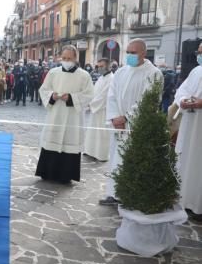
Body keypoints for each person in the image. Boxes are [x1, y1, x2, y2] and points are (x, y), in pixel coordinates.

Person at [99, 39, 163, 205]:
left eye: (133, 52)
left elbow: (149, 100)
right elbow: (111, 96)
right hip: (119, 126)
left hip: (136, 127)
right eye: (127, 52)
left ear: (143, 53)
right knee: (115, 159)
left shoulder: (154, 73)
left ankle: (128, 196)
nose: (129, 55)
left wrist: (126, 117)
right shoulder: (121, 72)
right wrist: (114, 117)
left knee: (132, 160)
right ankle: (113, 193)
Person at [36, 45, 94, 184]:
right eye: (64, 58)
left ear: (75, 58)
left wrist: (72, 98)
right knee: (52, 139)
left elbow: (89, 94)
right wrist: (52, 96)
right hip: (55, 113)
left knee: (70, 141)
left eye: (69, 58)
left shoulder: (84, 75)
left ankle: (65, 175)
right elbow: (44, 89)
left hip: (72, 116)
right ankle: (47, 172)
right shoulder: (53, 72)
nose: (66, 61)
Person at [174, 43, 202, 220]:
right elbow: (182, 90)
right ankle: (187, 200)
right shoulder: (196, 71)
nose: (199, 56)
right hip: (191, 122)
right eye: (198, 52)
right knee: (189, 161)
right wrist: (183, 100)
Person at [83, 58, 114, 161]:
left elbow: (104, 96)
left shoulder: (111, 79)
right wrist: (89, 102)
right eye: (98, 66)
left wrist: (92, 105)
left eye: (102, 66)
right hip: (95, 110)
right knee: (92, 131)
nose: (99, 68)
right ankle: (90, 150)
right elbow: (94, 92)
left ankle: (101, 155)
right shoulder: (101, 78)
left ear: (108, 66)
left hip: (103, 111)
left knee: (102, 133)